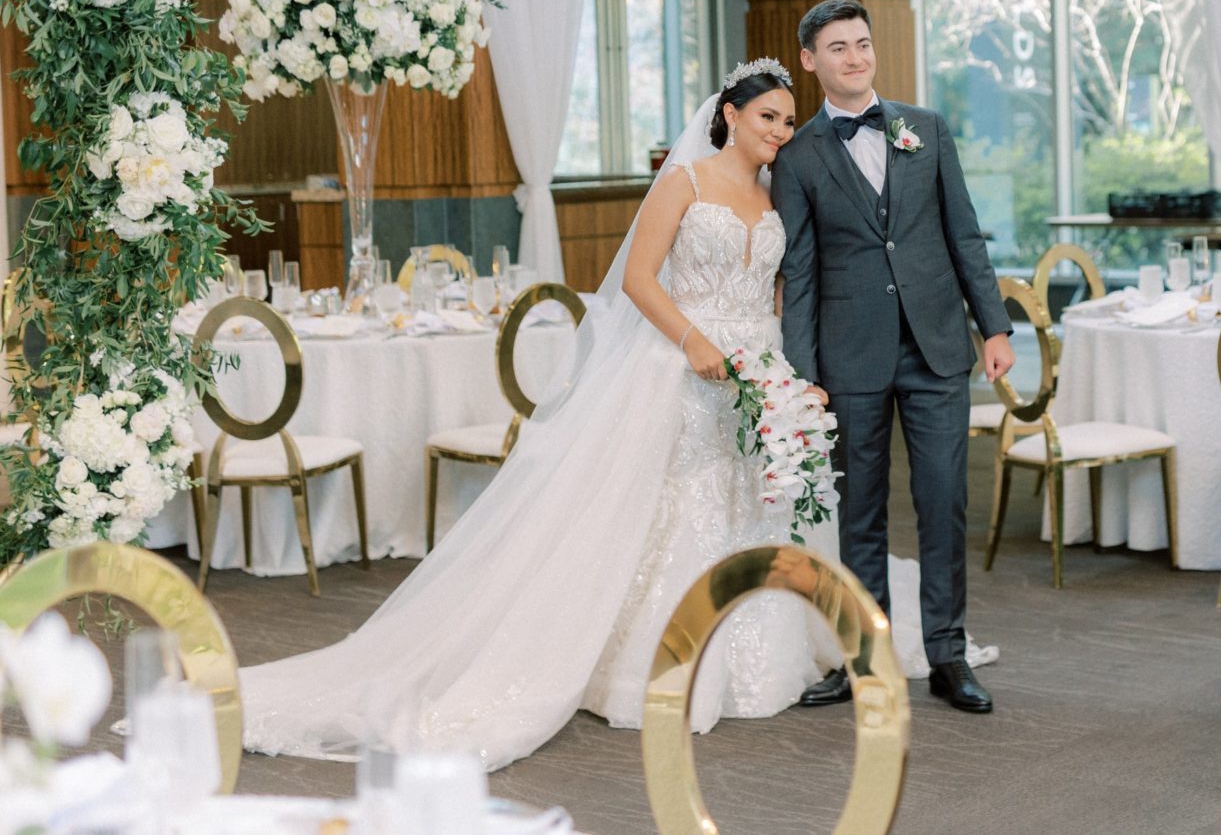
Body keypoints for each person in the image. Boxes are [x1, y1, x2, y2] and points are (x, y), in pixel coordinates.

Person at [238, 59, 935, 771]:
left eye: (789, 122)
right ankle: (649, 663)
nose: (781, 133)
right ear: (729, 114)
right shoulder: (684, 182)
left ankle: (763, 659)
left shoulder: (778, 193)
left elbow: (784, 291)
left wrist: (795, 377)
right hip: (681, 366)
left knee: (754, 503)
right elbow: (636, 278)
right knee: (675, 506)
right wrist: (694, 340)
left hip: (756, 368)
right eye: (768, 118)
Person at [772, 0, 1014, 714]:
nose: (855, 57)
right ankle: (863, 659)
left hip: (938, 346)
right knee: (860, 514)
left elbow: (964, 234)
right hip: (850, 357)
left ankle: (948, 653)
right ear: (811, 61)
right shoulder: (799, 155)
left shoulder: (925, 129)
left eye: (863, 44)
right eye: (838, 48)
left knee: (945, 503)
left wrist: (993, 327)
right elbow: (801, 272)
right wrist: (803, 374)